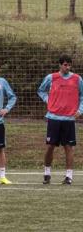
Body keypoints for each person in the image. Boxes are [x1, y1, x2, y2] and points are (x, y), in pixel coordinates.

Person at [38, 54, 83, 185]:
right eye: (65, 65)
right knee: (50, 146)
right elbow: (41, 90)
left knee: (68, 147)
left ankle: (69, 176)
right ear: (60, 65)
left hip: (69, 119)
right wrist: (49, 101)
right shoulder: (51, 78)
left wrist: (80, 110)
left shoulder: (77, 79)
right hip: (54, 118)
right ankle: (47, 173)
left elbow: (82, 96)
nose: (67, 67)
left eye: (69, 65)